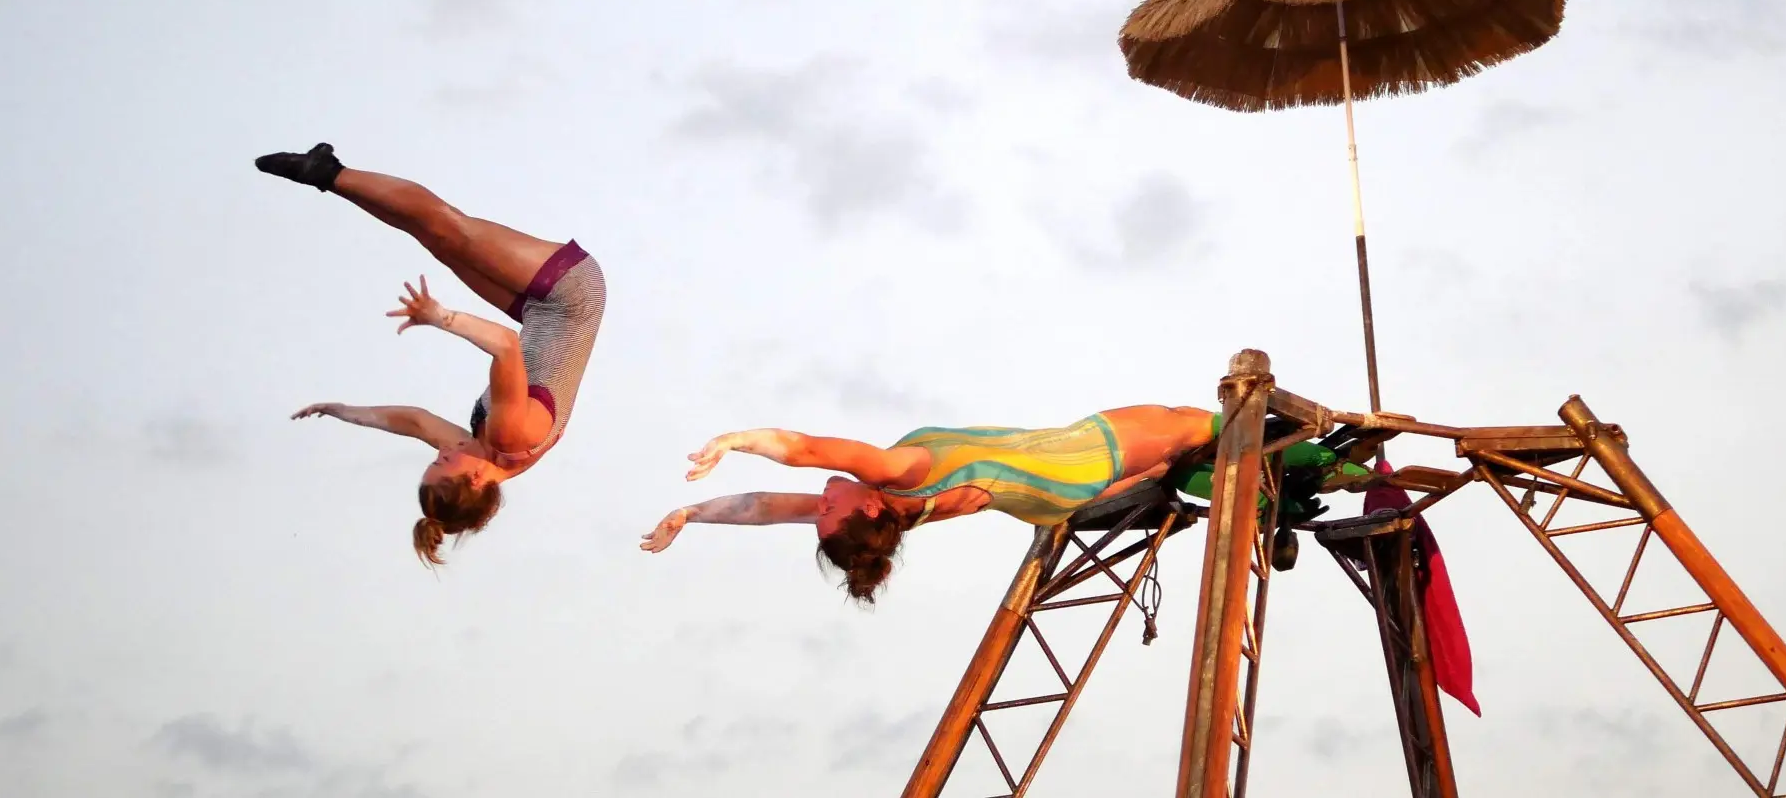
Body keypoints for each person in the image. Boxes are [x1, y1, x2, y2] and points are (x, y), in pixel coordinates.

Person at [256, 142, 605, 566]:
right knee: (448, 227)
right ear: (476, 481)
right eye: (443, 462)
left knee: (437, 241)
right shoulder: (511, 436)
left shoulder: (476, 451)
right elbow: (505, 346)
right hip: (570, 292)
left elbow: (414, 421)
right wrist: (441, 316)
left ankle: (329, 178)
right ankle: (326, 173)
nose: (441, 452)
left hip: (538, 312)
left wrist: (341, 409)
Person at [639, 405, 1225, 603]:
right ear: (866, 509)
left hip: (1060, 500)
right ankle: (1318, 459)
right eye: (826, 512)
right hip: (1074, 459)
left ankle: (1284, 491)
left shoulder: (898, 515)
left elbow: (766, 507)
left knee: (1186, 460)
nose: (818, 504)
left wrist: (692, 514)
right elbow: (811, 450)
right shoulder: (900, 473)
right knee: (1198, 423)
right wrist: (735, 441)